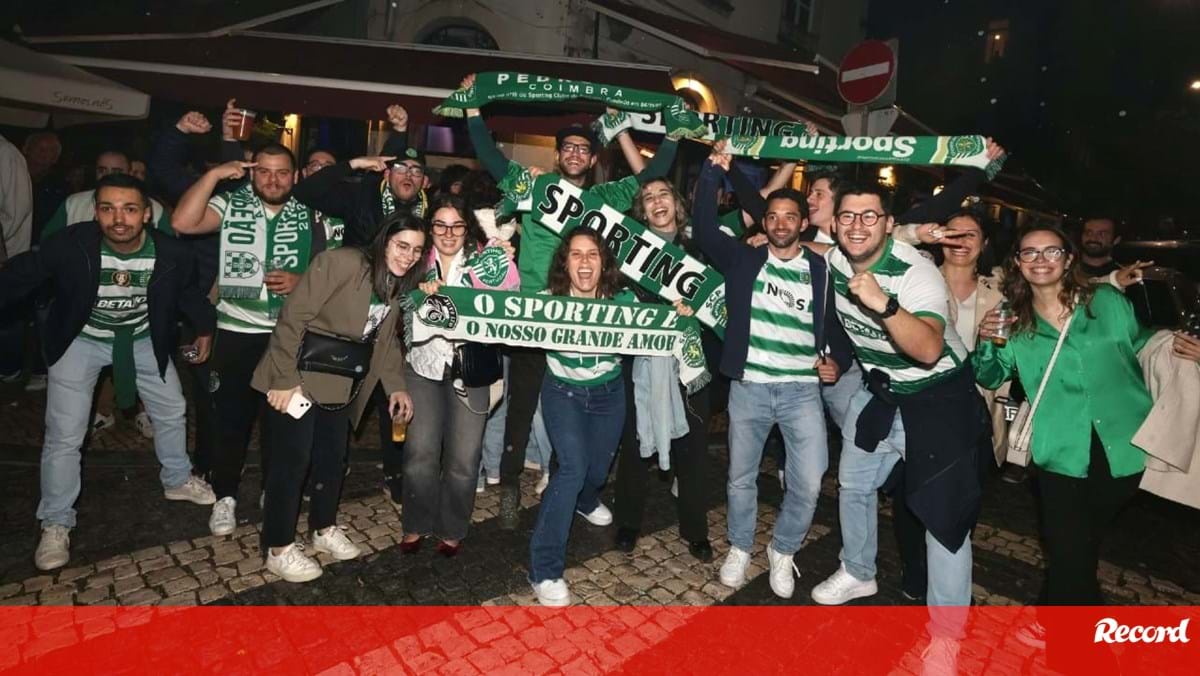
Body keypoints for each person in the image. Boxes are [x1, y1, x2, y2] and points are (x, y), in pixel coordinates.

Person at [461, 73, 678, 530]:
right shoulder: (534, 186)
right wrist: (472, 110)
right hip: (536, 311)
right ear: (558, 155)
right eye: (569, 148)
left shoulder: (604, 196)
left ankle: (574, 483)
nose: (576, 154)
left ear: (592, 157)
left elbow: (653, 176)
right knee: (521, 406)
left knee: (583, 400)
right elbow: (488, 159)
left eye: (584, 149)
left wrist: (673, 134)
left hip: (587, 315)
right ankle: (510, 484)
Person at [973, 225, 1199, 650]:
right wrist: (986, 342)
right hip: (1060, 450)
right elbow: (989, 375)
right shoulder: (1012, 319)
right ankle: (1075, 652)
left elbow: (1141, 344)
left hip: (1124, 448)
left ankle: (1049, 611)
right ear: (1017, 264)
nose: (1040, 260)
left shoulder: (1108, 302)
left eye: (1051, 251)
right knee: (1071, 548)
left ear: (1069, 258)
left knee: (1076, 548)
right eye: (1029, 253)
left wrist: (1181, 348)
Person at [811, 183, 992, 673]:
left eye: (870, 217)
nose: (856, 226)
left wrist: (885, 305)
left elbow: (930, 349)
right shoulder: (835, 259)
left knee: (943, 518)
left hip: (939, 396)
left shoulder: (917, 273)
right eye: (847, 216)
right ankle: (858, 571)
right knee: (853, 483)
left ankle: (947, 636)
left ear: (887, 225)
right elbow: (804, 246)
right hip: (883, 391)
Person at [0, 174, 217, 571]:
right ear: (95, 211)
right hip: (80, 340)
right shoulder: (70, 245)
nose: (119, 219)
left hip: (142, 338)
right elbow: (19, 277)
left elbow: (188, 293)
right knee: (65, 433)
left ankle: (177, 479)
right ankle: (55, 520)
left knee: (172, 408)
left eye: (130, 209)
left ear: (147, 215)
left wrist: (204, 327)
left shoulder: (171, 253)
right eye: (108, 208)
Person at [694, 144, 850, 599]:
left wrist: (836, 360)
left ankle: (783, 550)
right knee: (740, 476)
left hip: (802, 390)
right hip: (751, 388)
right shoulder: (745, 259)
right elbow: (704, 229)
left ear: (803, 224)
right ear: (765, 222)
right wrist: (711, 173)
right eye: (773, 217)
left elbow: (838, 322)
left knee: (809, 477)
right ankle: (740, 547)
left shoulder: (822, 269)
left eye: (789, 218)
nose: (780, 225)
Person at [253, 213, 424, 582]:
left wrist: (396, 385)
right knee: (292, 462)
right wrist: (284, 380)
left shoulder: (397, 282)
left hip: (341, 379)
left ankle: (323, 527)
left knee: (333, 458)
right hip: (296, 375)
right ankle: (278, 547)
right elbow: (292, 318)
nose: (408, 256)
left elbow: (385, 340)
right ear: (384, 241)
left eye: (416, 250)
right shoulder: (342, 262)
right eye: (402, 245)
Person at [172, 144, 328, 536]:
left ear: (295, 176)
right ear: (251, 173)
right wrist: (211, 176)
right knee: (230, 420)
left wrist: (300, 281)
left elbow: (331, 270)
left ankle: (273, 491)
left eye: (281, 173)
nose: (273, 180)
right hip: (236, 330)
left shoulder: (312, 214)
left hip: (289, 335)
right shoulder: (229, 204)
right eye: (264, 172)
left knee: (283, 422)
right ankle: (225, 496)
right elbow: (183, 222)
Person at [400, 195, 518, 556]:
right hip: (423, 366)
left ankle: (452, 527)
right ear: (429, 226)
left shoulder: (487, 260)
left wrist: (506, 262)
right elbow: (396, 296)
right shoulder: (417, 259)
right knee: (420, 451)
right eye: (440, 224)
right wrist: (416, 292)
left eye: (456, 225)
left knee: (465, 458)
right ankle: (416, 523)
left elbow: (510, 297)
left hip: (471, 370)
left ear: (467, 228)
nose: (448, 233)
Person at [528, 227, 634, 606]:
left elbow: (662, 325)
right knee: (571, 469)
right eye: (576, 254)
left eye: (592, 254)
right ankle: (544, 570)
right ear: (565, 262)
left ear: (603, 261)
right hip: (563, 393)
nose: (585, 262)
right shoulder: (547, 300)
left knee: (596, 473)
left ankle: (584, 499)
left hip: (609, 393)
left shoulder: (624, 300)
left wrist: (681, 315)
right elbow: (494, 310)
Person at [290, 104, 426, 248]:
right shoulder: (361, 198)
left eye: (416, 171)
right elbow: (303, 192)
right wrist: (354, 163)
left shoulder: (429, 211)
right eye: (401, 169)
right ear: (387, 174)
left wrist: (400, 131)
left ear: (424, 180)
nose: (408, 175)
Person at [41, 150, 172, 239]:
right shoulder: (74, 203)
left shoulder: (154, 208)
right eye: (102, 170)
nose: (108, 175)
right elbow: (49, 240)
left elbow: (167, 250)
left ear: (129, 172)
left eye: (116, 171)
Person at [0, 133, 33, 382]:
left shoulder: (7, 153)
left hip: (8, 253)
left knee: (7, 314)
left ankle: (8, 369)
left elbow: (17, 210)